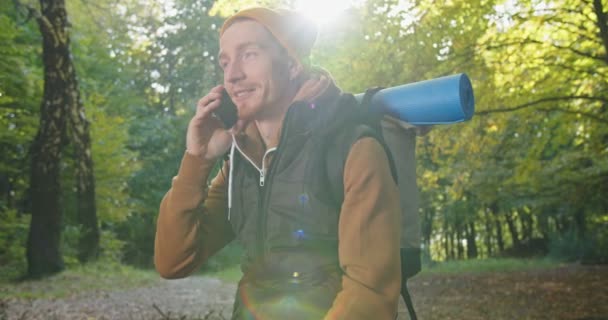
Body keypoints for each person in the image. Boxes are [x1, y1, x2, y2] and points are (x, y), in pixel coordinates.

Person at [154, 7, 402, 320]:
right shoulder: (242, 162)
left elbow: (370, 293)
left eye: (249, 55)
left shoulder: (353, 149)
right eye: (225, 61)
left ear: (292, 63)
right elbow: (173, 261)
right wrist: (197, 161)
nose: (232, 76)